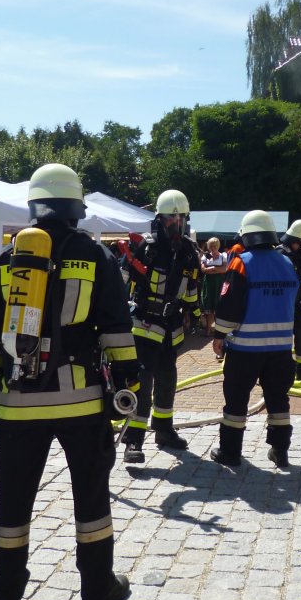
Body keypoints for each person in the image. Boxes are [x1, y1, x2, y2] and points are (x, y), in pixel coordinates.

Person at [0, 163, 139, 600]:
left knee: (13, 502)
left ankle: (6, 593)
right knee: (91, 499)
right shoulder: (95, 256)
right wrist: (128, 385)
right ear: (75, 208)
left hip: (17, 403)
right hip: (81, 402)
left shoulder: (6, 261)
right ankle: (97, 589)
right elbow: (116, 329)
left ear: (34, 206)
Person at [211, 211, 301, 468]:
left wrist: (219, 336)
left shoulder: (242, 263)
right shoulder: (287, 263)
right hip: (281, 349)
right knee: (278, 399)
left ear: (246, 235)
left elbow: (229, 306)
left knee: (236, 400)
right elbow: (295, 302)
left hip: (245, 349)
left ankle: (230, 452)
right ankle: (280, 451)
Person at [118, 189, 201, 463]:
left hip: (171, 326)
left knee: (167, 380)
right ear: (159, 220)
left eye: (180, 219)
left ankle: (164, 431)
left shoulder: (189, 251)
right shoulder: (146, 247)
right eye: (170, 219)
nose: (175, 224)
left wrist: (195, 314)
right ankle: (133, 440)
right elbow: (121, 280)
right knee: (143, 382)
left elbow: (191, 288)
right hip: (144, 322)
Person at [277, 219, 301, 380]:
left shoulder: (300, 253)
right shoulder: (280, 254)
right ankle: (280, 371)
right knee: (282, 339)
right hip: (282, 305)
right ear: (299, 238)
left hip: (298, 303)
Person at [199, 237, 228, 337]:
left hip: (219, 283)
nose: (213, 248)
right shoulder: (205, 256)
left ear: (218, 246)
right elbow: (203, 270)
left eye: (215, 246)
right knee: (208, 306)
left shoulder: (223, 256)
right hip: (208, 283)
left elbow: (224, 269)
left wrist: (212, 268)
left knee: (218, 306)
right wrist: (216, 270)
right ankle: (208, 329)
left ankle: (219, 330)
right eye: (211, 246)